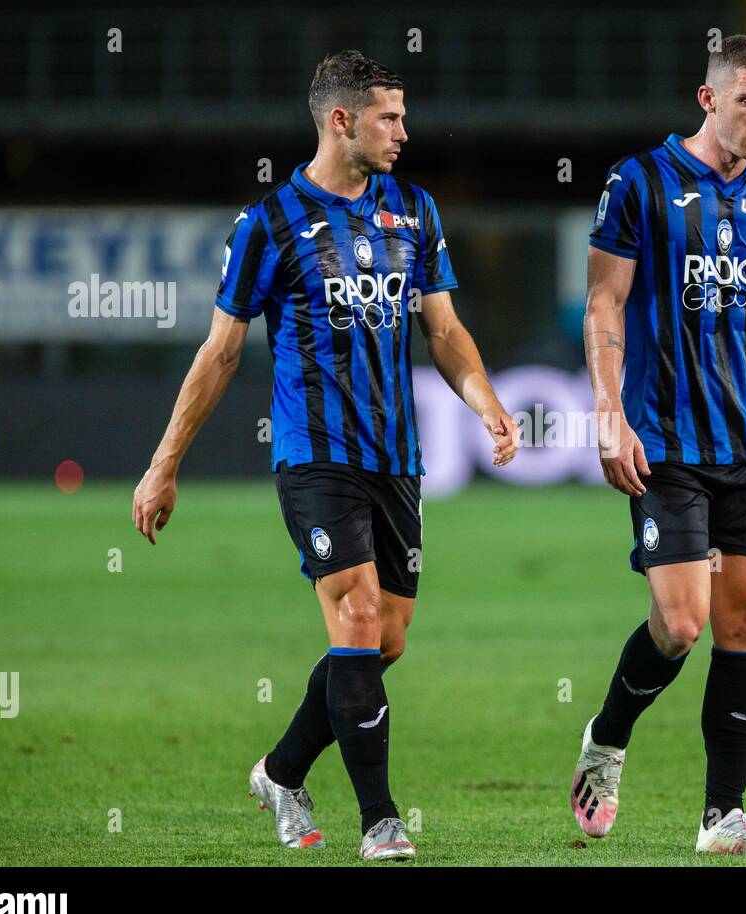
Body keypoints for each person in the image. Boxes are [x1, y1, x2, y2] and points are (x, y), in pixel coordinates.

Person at [132, 50, 517, 862]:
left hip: (395, 457)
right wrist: (164, 463)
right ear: (341, 120)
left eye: (405, 116)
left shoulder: (413, 209)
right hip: (315, 455)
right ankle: (381, 820)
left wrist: (486, 404)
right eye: (390, 117)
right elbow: (219, 354)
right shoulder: (268, 224)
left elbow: (442, 331)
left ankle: (280, 770)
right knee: (358, 615)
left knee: (384, 641)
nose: (404, 133)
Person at [573, 34, 746, 855]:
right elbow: (605, 305)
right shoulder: (639, 183)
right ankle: (607, 736)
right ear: (708, 99)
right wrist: (608, 412)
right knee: (679, 623)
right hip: (665, 442)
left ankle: (723, 818)